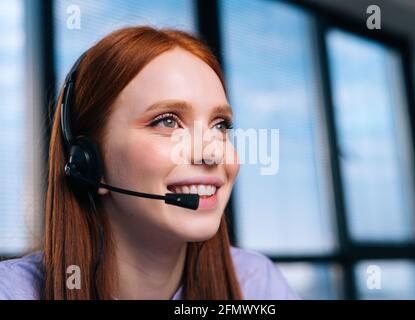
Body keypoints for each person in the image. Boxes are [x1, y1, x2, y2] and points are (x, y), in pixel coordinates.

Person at [0, 25, 299, 300]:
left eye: (220, 125)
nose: (211, 153)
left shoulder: (256, 283)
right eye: (167, 121)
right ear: (88, 162)